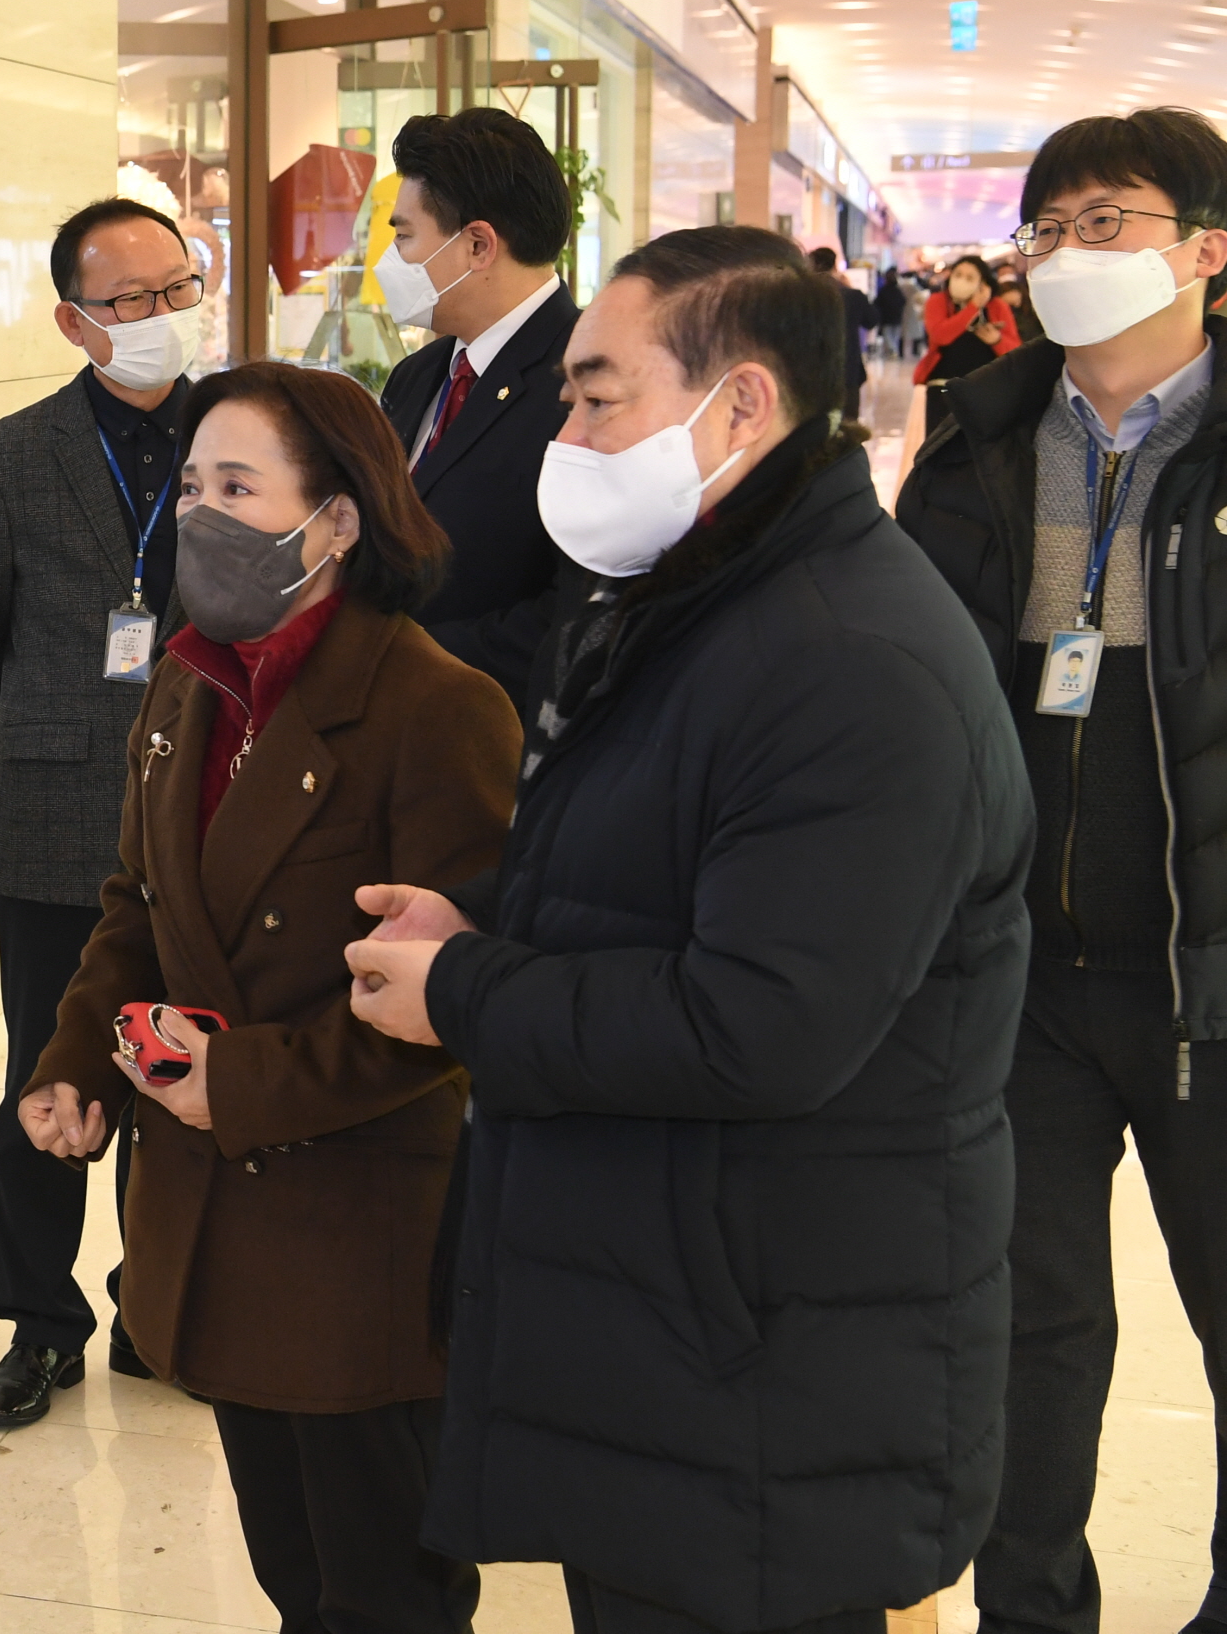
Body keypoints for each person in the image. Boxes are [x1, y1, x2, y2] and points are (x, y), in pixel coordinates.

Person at [345, 225, 1032, 1634]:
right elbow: (656, 872)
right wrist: (481, 919)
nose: (568, 436)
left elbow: (758, 1026)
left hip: (768, 1358)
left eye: (599, 396)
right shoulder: (695, 599)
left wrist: (464, 990)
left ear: (741, 406)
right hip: (678, 1325)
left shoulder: (851, 662)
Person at [20, 362, 520, 1634]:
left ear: (337, 519)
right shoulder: (191, 683)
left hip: (359, 1234)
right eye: (192, 487)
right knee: (293, 1574)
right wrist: (76, 1058)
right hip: (214, 1222)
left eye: (239, 488)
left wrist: (233, 1083)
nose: (202, 515)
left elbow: (449, 1007)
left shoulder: (437, 709)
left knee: (383, 1595)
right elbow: (139, 904)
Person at [894, 107, 1227, 1634]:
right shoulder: (974, 446)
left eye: (1109, 221)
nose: (1069, 253)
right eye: (1049, 226)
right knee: (1027, 1335)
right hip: (1022, 979)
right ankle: (1032, 1611)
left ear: (1206, 249)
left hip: (1205, 978)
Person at [0, 194, 204, 1424]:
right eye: (130, 299)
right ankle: (41, 1326)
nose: (160, 314)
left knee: (181, 1070)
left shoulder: (245, 434)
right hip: (53, 817)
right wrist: (64, 739)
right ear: (73, 320)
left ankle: (159, 1306)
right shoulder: (7, 458)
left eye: (177, 288)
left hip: (208, 813)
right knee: (47, 1078)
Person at [373, 108, 577, 703]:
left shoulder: (586, 384)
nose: (390, 258)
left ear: (478, 245)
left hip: (496, 727)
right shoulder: (416, 376)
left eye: (404, 236)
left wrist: (402, 661)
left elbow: (578, 613)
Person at [920, 251, 1019, 385]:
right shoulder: (938, 301)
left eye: (970, 277)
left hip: (987, 381)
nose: (961, 281)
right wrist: (973, 307)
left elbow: (1015, 350)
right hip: (943, 380)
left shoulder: (997, 305)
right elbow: (939, 336)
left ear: (983, 283)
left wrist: (997, 340)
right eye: (958, 275)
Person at [810, 244, 871, 413]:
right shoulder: (852, 295)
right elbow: (871, 320)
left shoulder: (802, 295)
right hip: (847, 368)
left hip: (811, 372)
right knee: (848, 421)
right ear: (835, 265)